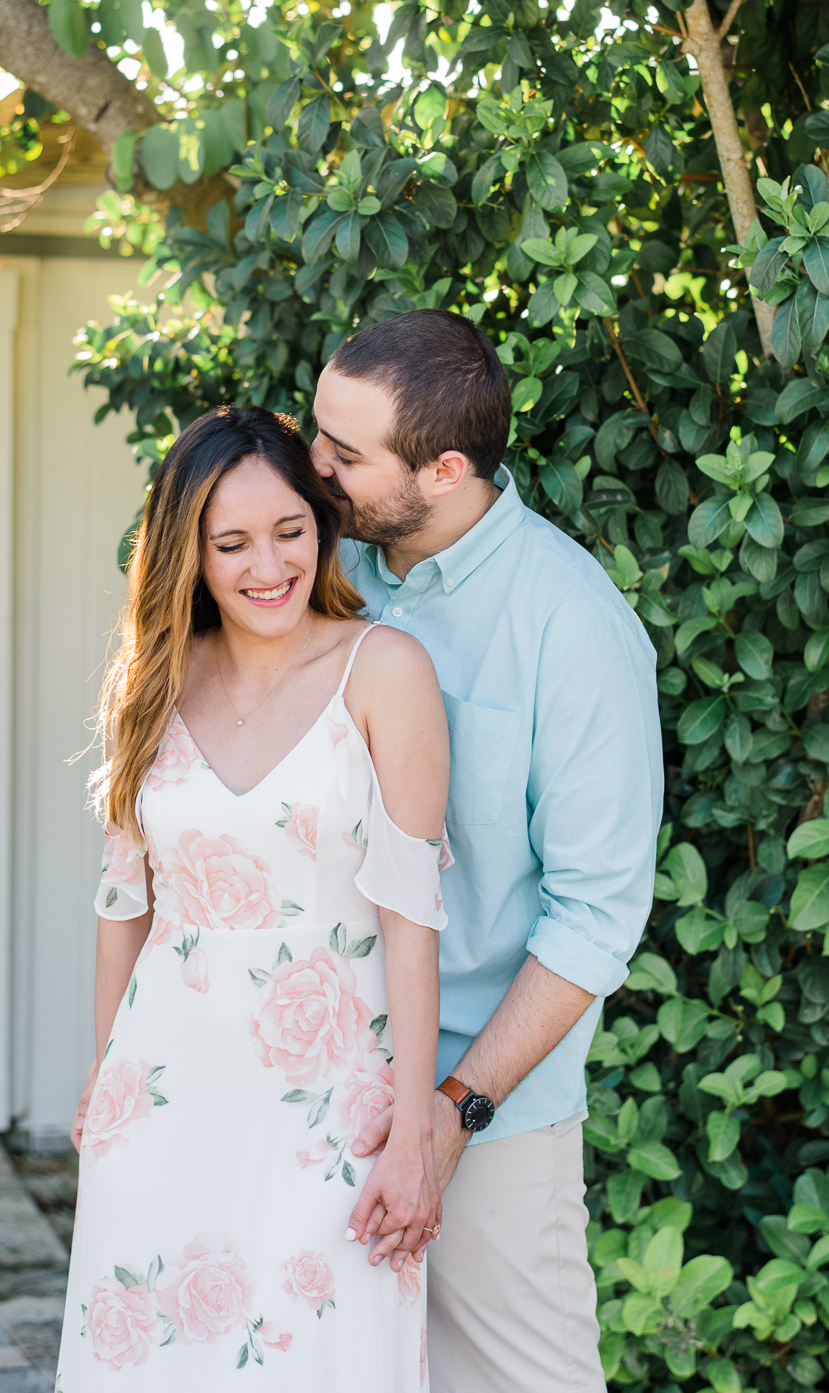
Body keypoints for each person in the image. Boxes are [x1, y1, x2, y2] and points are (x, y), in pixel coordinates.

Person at [59, 406, 450, 1390]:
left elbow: (413, 924)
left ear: (321, 526)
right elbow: (123, 910)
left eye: (289, 531)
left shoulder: (385, 671)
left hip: (331, 1116)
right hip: (163, 1100)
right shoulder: (149, 683)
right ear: (188, 551)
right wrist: (107, 1087)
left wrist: (414, 1132)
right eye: (231, 543)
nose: (265, 566)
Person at [310, 309, 664, 1393]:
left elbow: (597, 916)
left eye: (345, 453)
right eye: (315, 429)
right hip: (316, 1078)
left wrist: (455, 1109)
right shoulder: (320, 564)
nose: (310, 464)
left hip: (486, 1109)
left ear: (446, 469)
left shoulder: (574, 627)